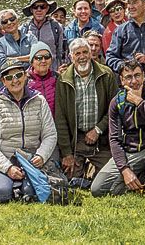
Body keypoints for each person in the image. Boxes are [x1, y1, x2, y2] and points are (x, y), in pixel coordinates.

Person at [90, 62, 145, 203]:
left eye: (137, 75)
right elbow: (114, 139)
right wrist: (125, 170)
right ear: (122, 80)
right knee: (98, 189)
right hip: (131, 152)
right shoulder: (117, 102)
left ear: (143, 76)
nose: (134, 81)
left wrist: (139, 102)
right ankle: (142, 179)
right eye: (128, 77)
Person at [0, 60, 57, 203]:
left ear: (25, 75)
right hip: (4, 158)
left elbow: (50, 134)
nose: (14, 80)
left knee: (31, 192)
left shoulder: (39, 100)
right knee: (1, 194)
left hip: (31, 159)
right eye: (9, 78)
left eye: (18, 75)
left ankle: (20, 187)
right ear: (3, 81)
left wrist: (41, 155)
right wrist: (7, 167)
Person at [56, 38, 116, 189]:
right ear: (71, 57)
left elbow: (114, 109)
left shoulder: (107, 75)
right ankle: (86, 170)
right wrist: (67, 153)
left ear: (91, 54)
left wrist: (98, 129)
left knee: (111, 177)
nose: (82, 56)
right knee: (71, 178)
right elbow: (60, 119)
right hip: (77, 140)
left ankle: (92, 170)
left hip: (100, 140)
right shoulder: (63, 80)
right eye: (77, 54)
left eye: (85, 52)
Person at [21, 0, 68, 66]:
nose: (39, 10)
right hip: (30, 73)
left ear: (47, 9)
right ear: (31, 10)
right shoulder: (24, 29)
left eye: (43, 7)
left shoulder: (56, 27)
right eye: (35, 7)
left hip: (51, 72)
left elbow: (60, 52)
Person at [27, 42, 58, 115]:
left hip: (54, 124)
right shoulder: (25, 81)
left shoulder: (57, 78)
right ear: (32, 62)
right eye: (39, 58)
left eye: (47, 57)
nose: (43, 61)